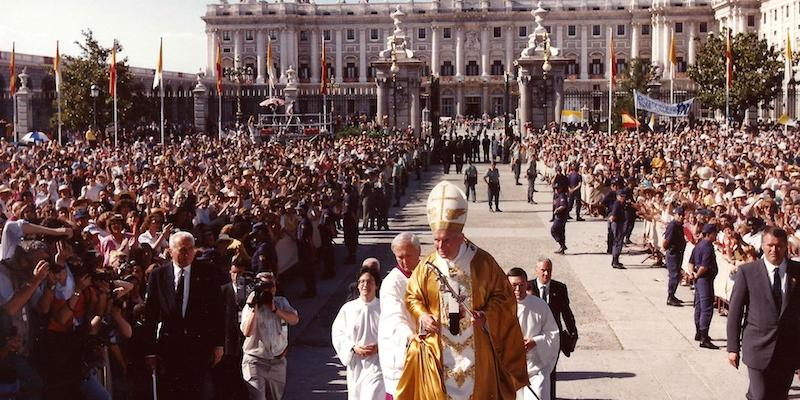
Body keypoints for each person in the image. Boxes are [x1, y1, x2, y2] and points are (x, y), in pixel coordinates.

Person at [396, 180, 527, 399]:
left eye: (446, 241)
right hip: (439, 352)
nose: (440, 247)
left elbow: (504, 298)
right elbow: (412, 297)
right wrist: (423, 315)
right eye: (436, 241)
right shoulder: (428, 266)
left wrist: (486, 315)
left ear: (461, 237)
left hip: (476, 349)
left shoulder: (482, 262)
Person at [143, 231, 225, 400]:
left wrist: (218, 344)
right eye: (182, 250)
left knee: (197, 392)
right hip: (169, 347)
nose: (187, 254)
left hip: (199, 346)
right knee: (172, 392)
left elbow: (217, 310)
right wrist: (150, 351)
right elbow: (151, 315)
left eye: (190, 249)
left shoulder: (207, 273)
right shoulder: (158, 276)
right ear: (171, 250)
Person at [727, 226, 800, 400]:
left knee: (779, 396)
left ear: (786, 246)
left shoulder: (797, 271)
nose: (774, 250)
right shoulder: (748, 272)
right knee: (759, 395)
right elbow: (735, 312)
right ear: (762, 246)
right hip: (757, 346)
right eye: (769, 245)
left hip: (787, 349)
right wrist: (732, 348)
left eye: (778, 246)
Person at [240, 272, 299, 400]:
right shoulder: (250, 305)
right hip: (255, 360)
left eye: (272, 285)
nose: (270, 289)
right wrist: (254, 308)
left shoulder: (281, 302)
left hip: (277, 361)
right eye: (266, 286)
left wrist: (275, 310)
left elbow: (294, 320)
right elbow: (247, 332)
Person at [378, 233, 421, 399]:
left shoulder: (427, 272)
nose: (404, 261)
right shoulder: (392, 282)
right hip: (403, 348)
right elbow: (394, 316)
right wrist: (410, 337)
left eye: (408, 256)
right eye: (399, 257)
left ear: (418, 251)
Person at [527, 258, 578, 400]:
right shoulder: (528, 287)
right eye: (543, 270)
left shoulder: (559, 288)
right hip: (533, 337)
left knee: (551, 371)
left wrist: (573, 333)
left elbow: (566, 312)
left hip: (552, 338)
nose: (546, 274)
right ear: (536, 270)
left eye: (549, 270)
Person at [331, 268, 384, 400]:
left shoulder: (384, 308)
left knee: (372, 395)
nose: (365, 285)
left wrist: (379, 347)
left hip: (378, 362)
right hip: (356, 364)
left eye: (370, 281)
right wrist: (353, 348)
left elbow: (393, 333)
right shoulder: (348, 309)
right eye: (362, 281)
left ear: (376, 285)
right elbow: (338, 333)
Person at [507, 268, 560, 400]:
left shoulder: (539, 305)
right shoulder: (501, 307)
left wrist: (535, 342)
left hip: (536, 367)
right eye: (514, 285)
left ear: (527, 284)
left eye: (521, 285)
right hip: (510, 369)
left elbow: (553, 334)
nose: (518, 290)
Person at [215, 262, 248, 400]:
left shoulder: (250, 290)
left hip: (246, 338)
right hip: (230, 341)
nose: (236, 276)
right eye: (234, 272)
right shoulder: (223, 290)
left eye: (240, 273)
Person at [692, 223, 719, 350]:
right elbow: (704, 266)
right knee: (706, 308)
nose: (716, 235)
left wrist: (692, 273)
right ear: (709, 234)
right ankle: (704, 337)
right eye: (715, 233)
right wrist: (697, 275)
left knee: (698, 306)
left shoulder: (698, 245)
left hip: (698, 280)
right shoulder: (707, 247)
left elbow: (690, 262)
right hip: (705, 280)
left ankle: (698, 332)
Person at [662, 207, 686, 307]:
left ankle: (673, 295)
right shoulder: (673, 226)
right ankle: (670, 296)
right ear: (675, 215)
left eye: (682, 215)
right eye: (679, 215)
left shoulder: (679, 225)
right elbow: (666, 241)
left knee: (676, 275)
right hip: (673, 253)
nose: (681, 217)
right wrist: (667, 249)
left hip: (678, 252)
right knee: (674, 275)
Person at [608, 189, 627, 269]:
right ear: (617, 197)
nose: (622, 198)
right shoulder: (617, 204)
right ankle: (615, 261)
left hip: (618, 223)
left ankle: (615, 261)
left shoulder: (621, 204)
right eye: (621, 196)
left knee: (617, 242)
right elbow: (613, 216)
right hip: (617, 224)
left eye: (624, 196)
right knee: (618, 242)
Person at [551, 186, 568, 254]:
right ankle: (562, 248)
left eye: (557, 188)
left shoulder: (562, 196)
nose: (555, 190)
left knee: (553, 230)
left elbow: (563, 206)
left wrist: (557, 210)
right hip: (558, 217)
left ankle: (562, 245)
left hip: (561, 217)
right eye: (555, 189)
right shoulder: (557, 196)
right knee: (561, 232)